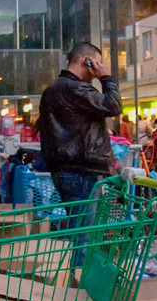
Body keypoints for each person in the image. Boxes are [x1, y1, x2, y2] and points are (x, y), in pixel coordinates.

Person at [36, 42, 121, 209]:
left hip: (64, 168)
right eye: (97, 63)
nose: (99, 67)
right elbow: (114, 105)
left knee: (79, 225)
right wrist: (106, 78)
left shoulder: (52, 90)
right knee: (85, 229)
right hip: (85, 170)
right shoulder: (76, 89)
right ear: (86, 61)